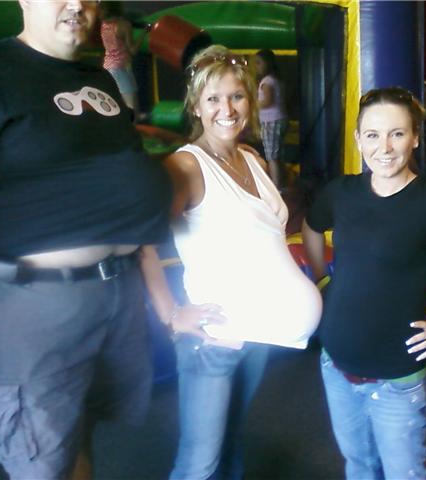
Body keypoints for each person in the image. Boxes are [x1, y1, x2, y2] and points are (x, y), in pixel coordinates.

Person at [0, 1, 173, 479]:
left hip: (113, 295)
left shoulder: (98, 79)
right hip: (31, 307)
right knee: (41, 458)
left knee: (79, 432)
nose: (77, 4)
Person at [141, 44, 321, 480]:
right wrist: (171, 314)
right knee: (199, 461)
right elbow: (142, 240)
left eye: (237, 96)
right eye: (214, 99)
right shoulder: (186, 166)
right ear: (196, 106)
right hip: (214, 339)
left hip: (258, 331)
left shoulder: (252, 159)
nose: (227, 109)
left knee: (232, 443)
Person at [302, 87, 426, 479]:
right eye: (373, 135)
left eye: (397, 133)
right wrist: (323, 280)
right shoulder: (341, 192)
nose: (385, 147)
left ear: (414, 138)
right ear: (358, 139)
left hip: (397, 381)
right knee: (358, 466)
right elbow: (311, 227)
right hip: (335, 366)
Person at [100, 0, 148, 115]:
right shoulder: (123, 25)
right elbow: (132, 50)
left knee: (115, 106)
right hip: (120, 69)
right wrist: (144, 32)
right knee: (131, 108)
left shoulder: (103, 25)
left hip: (108, 68)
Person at [254, 49, 289, 187]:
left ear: (266, 64)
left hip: (271, 121)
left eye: (258, 63)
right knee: (278, 154)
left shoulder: (267, 82)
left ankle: (276, 187)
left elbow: (267, 101)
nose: (256, 66)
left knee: (271, 157)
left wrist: (252, 104)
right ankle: (283, 182)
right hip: (280, 118)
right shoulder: (276, 79)